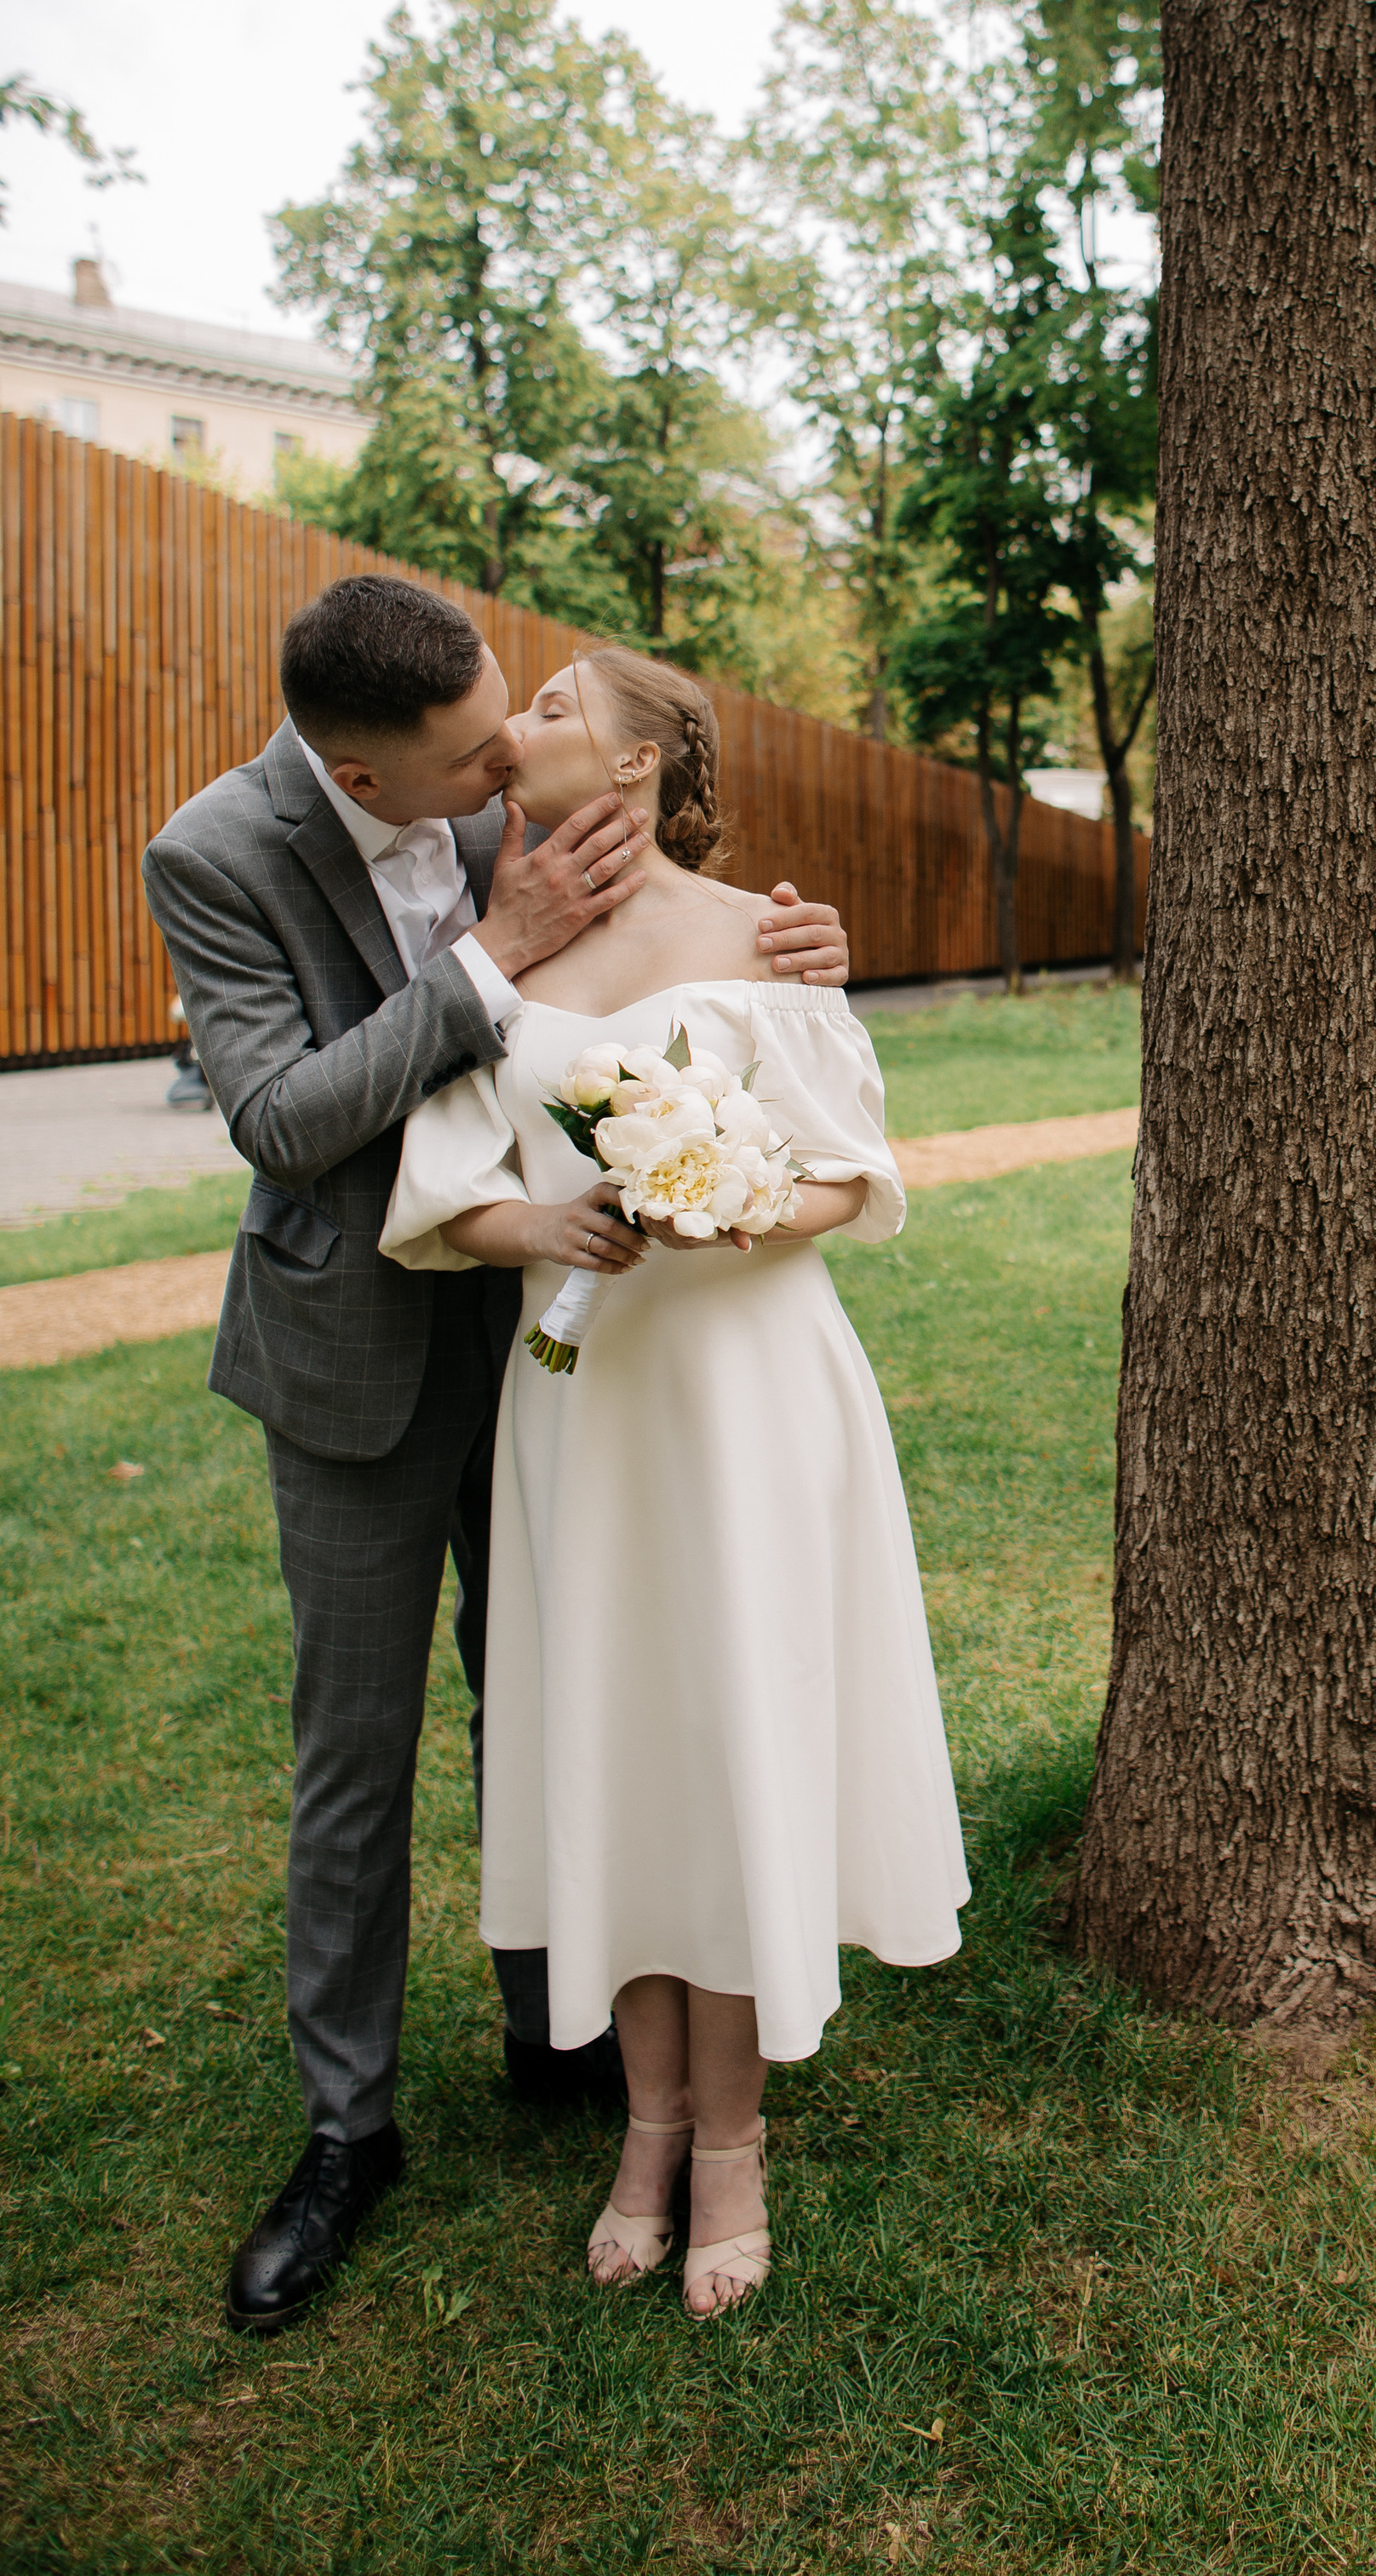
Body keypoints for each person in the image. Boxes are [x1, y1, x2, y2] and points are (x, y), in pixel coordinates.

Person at [140, 577, 851, 2335]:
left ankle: (572, 2035)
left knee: (560, 1692)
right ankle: (343, 2133)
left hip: (578, 1360)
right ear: (365, 779)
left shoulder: (516, 793)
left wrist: (796, 959)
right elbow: (286, 1122)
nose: (502, 763)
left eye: (509, 723)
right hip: (363, 1347)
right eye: (467, 754)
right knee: (357, 1751)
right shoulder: (217, 855)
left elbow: (684, 963)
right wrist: (483, 959)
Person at [380, 648, 967, 2316]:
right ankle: (641, 2125)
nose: (524, 727)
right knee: (614, 1743)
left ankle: (730, 2145)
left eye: (559, 705)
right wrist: (543, 1223)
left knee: (728, 1740)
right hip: (582, 1405)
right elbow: (445, 1188)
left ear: (639, 766)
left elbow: (852, 1175)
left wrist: (730, 1205)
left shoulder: (762, 940)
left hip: (745, 1394)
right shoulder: (492, 957)